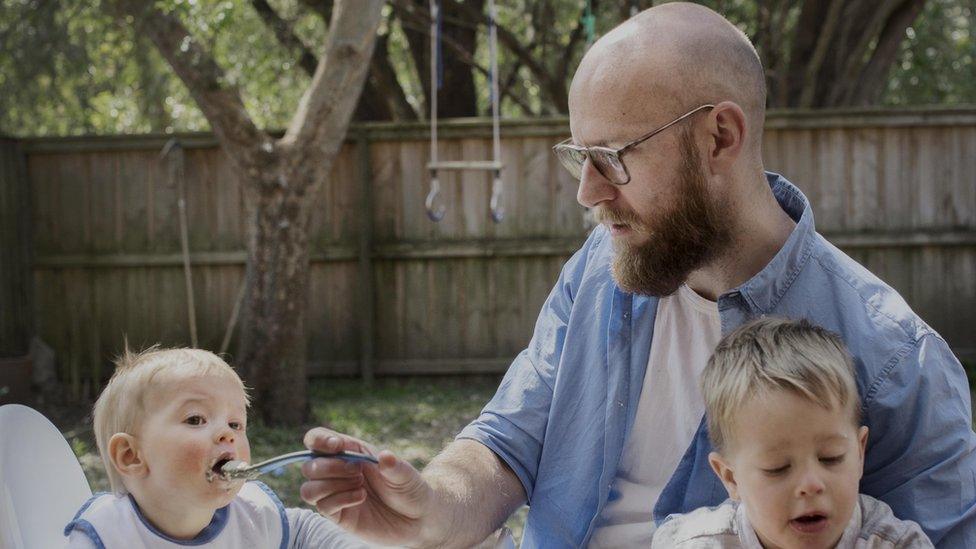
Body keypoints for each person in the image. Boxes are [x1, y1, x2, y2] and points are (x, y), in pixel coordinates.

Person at [298, 3, 976, 547]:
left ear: (720, 138)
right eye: (579, 157)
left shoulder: (896, 365)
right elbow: (509, 439)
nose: (587, 193)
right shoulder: (599, 269)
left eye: (613, 156)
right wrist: (431, 506)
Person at [651, 317, 933, 548]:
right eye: (778, 468)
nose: (811, 484)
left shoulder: (894, 544)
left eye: (830, 458)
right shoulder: (700, 544)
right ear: (730, 477)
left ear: (859, 453)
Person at [64, 346, 371, 548]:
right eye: (196, 419)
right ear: (131, 456)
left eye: (236, 424)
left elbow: (305, 533)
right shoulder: (104, 536)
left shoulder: (252, 515)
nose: (227, 434)